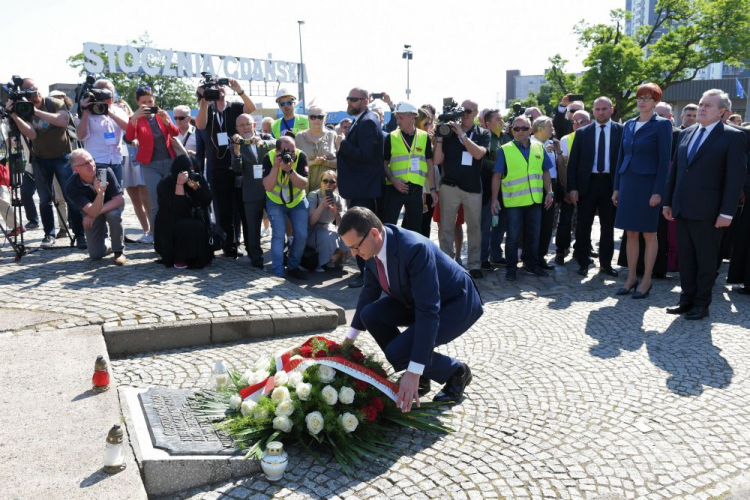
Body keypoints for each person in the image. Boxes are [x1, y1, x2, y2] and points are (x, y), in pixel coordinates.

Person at [339, 207, 483, 412]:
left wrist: (413, 370)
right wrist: (349, 340)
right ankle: (422, 372)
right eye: (350, 248)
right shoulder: (371, 250)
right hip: (416, 300)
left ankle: (456, 372)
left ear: (373, 233)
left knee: (397, 353)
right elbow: (369, 292)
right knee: (369, 315)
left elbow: (428, 312)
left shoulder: (414, 249)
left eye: (355, 246)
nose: (354, 254)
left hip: (454, 304)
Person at [662, 89, 746, 319]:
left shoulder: (732, 136)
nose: (701, 108)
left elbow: (735, 178)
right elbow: (676, 172)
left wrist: (727, 213)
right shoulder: (686, 133)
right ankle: (686, 299)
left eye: (708, 105)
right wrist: (668, 202)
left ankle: (702, 303)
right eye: (701, 103)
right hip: (682, 208)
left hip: (710, 212)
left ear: (722, 112)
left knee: (706, 260)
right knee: (686, 258)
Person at [5, 78, 85, 249]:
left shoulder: (54, 102)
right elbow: (32, 135)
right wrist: (15, 115)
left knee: (71, 197)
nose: (32, 95)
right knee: (44, 200)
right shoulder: (23, 109)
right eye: (27, 92)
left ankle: (80, 235)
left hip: (62, 157)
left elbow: (62, 121)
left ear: (38, 90)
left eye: (32, 90)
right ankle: (49, 234)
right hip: (40, 159)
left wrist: (36, 111)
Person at [612, 83, 672, 299]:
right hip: (628, 182)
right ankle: (630, 278)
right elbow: (621, 156)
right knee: (630, 232)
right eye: (639, 98)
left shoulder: (662, 125)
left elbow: (664, 160)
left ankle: (646, 280)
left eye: (647, 98)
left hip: (648, 186)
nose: (642, 101)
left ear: (656, 102)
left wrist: (658, 192)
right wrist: (617, 187)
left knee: (649, 233)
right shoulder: (628, 124)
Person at [195, 77, 257, 259]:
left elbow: (251, 109)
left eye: (221, 87)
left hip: (238, 164)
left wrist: (239, 89)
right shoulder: (208, 108)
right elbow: (199, 125)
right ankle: (229, 244)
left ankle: (246, 244)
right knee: (223, 209)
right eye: (216, 88)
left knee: (241, 208)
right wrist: (205, 101)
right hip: (217, 166)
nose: (219, 90)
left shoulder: (235, 106)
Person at [491, 115, 555, 281]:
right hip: (514, 202)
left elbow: (545, 171)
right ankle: (511, 268)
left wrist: (549, 192)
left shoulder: (539, 147)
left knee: (533, 235)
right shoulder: (505, 149)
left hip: (535, 201)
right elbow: (497, 176)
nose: (521, 131)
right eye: (517, 128)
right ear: (512, 130)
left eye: (524, 128)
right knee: (512, 237)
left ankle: (531, 265)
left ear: (530, 129)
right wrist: (494, 199)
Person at [432, 99, 489, 279]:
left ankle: (474, 264)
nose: (464, 114)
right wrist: (440, 137)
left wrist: (462, 136)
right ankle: (446, 263)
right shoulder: (447, 133)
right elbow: (437, 160)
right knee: (446, 227)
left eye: (468, 111)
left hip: (472, 187)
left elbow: (479, 154)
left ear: (475, 113)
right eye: (462, 111)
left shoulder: (482, 132)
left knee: (474, 227)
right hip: (449, 186)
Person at [567, 97, 623, 277]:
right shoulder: (583, 133)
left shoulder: (621, 131)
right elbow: (573, 163)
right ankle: (583, 262)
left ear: (611, 110)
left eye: (604, 109)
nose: (601, 112)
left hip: (610, 184)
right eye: (597, 109)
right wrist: (572, 187)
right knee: (584, 225)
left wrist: (620, 187)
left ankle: (606, 264)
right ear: (593, 111)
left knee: (608, 226)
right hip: (587, 184)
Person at [335, 87, 385, 288]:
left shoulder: (367, 121)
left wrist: (342, 144)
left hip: (364, 189)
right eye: (348, 98)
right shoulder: (362, 120)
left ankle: (369, 275)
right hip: (359, 187)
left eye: (354, 99)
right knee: (360, 230)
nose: (350, 102)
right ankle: (367, 273)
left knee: (362, 232)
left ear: (366, 101)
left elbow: (365, 154)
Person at [125, 86, 180, 242]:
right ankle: (156, 236)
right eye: (144, 102)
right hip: (150, 165)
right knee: (155, 201)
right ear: (137, 103)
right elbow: (129, 137)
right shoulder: (136, 118)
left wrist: (167, 122)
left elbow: (175, 133)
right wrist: (134, 118)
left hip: (169, 162)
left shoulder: (161, 115)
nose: (148, 105)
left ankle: (175, 232)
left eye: (150, 101)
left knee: (173, 198)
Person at [382, 102, 437, 232]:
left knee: (415, 230)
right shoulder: (392, 136)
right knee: (389, 228)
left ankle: (411, 252)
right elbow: (384, 164)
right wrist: (393, 180)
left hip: (416, 190)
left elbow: (429, 164)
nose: (398, 121)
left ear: (413, 117)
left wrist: (433, 189)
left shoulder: (424, 137)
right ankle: (390, 252)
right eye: (397, 117)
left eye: (401, 117)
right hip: (395, 188)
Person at [64, 149, 125, 264]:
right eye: (85, 164)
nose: (91, 165)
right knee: (95, 255)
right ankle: (109, 244)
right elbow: (91, 210)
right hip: (91, 210)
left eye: (91, 161)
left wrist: (93, 214)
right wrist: (100, 194)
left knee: (113, 215)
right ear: (75, 169)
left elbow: (119, 200)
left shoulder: (103, 172)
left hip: (109, 207)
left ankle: (119, 251)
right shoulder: (72, 186)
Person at [231, 113, 275, 270]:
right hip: (251, 192)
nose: (245, 128)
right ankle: (256, 260)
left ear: (254, 125)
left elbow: (278, 144)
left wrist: (262, 143)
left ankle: (278, 257)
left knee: (278, 226)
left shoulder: (266, 137)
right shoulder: (238, 143)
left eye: (247, 124)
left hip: (271, 190)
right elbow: (237, 169)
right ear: (237, 129)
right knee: (252, 229)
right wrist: (236, 151)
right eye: (241, 126)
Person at [154, 155, 214, 269]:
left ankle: (198, 257)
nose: (190, 173)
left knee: (198, 225)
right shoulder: (166, 183)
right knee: (187, 225)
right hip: (171, 221)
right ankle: (179, 257)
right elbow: (179, 209)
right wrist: (179, 184)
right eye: (187, 170)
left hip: (194, 217)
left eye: (193, 169)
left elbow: (207, 200)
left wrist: (197, 188)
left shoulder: (197, 178)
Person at [263, 135, 309, 279]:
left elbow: (303, 184)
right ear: (277, 151)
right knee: (278, 235)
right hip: (275, 201)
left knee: (301, 235)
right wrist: (276, 167)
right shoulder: (269, 157)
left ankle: (293, 266)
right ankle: (278, 272)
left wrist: (290, 170)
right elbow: (268, 187)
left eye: (292, 151)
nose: (290, 155)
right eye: (286, 152)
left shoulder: (301, 156)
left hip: (297, 201)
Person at [75, 78, 127, 187]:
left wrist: (110, 113)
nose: (104, 94)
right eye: (100, 91)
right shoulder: (87, 111)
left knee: (117, 194)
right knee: (102, 193)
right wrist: (85, 112)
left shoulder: (119, 111)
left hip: (116, 161)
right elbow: (80, 136)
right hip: (99, 163)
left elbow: (128, 129)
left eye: (108, 91)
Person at [531, 116, 566, 270]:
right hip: (535, 186)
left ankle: (541, 257)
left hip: (551, 186)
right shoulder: (530, 143)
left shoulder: (553, 143)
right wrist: (542, 152)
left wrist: (558, 152)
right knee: (533, 225)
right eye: (549, 125)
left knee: (547, 224)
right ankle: (530, 258)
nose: (552, 128)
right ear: (539, 128)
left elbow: (559, 166)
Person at [116, 99, 151, 243]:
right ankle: (146, 230)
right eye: (118, 108)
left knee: (146, 198)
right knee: (135, 200)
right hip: (125, 163)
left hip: (138, 161)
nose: (121, 109)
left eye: (123, 107)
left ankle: (154, 229)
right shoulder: (113, 124)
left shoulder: (136, 121)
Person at [481, 110, 512, 268]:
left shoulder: (508, 138)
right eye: (498, 119)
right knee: (487, 224)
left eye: (502, 118)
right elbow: (482, 162)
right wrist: (501, 170)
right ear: (488, 123)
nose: (502, 121)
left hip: (507, 189)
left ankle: (496, 255)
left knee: (502, 224)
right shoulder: (485, 138)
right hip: (488, 189)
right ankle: (482, 258)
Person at [307, 170, 349, 271]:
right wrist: (322, 205)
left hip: (328, 227)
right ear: (320, 182)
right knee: (329, 237)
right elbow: (311, 221)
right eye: (325, 181)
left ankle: (331, 259)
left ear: (336, 184)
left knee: (348, 237)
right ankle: (319, 264)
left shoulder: (338, 199)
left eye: (332, 182)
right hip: (312, 230)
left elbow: (341, 225)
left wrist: (337, 214)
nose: (328, 184)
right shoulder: (314, 195)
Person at [295, 106, 337, 191]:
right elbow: (296, 163)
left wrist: (326, 162)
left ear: (325, 118)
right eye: (313, 117)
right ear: (308, 118)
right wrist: (314, 162)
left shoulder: (333, 135)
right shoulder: (299, 137)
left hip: (328, 186)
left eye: (320, 117)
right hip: (306, 185)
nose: (316, 120)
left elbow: (341, 163)